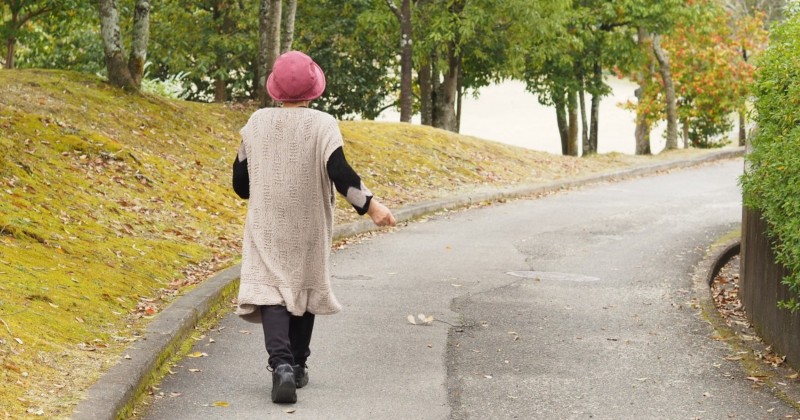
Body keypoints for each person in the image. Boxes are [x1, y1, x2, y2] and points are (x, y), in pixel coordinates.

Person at [231, 50, 396, 404]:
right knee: (303, 286)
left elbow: (240, 184)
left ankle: (282, 367)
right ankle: (299, 364)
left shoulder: (255, 123)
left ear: (274, 89)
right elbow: (340, 173)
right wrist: (371, 206)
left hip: (267, 221)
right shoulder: (323, 124)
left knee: (272, 290)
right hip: (309, 222)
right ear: (313, 91)